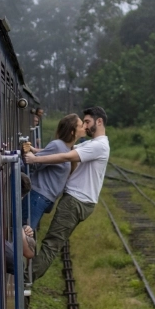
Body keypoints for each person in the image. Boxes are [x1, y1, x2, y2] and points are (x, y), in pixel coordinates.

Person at [24, 106, 110, 280]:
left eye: (87, 121)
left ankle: (26, 278)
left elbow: (66, 157)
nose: (85, 126)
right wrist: (36, 151)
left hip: (76, 201)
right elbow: (62, 151)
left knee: (51, 244)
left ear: (99, 121)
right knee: (49, 241)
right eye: (83, 122)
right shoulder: (92, 144)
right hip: (76, 200)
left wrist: (35, 159)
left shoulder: (99, 146)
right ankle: (27, 276)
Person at [24, 113, 85, 233]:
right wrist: (27, 155)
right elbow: (34, 164)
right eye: (81, 125)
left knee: (27, 234)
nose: (84, 128)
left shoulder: (68, 149)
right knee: (24, 235)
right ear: (72, 131)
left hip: (44, 199)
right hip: (38, 196)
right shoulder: (57, 145)